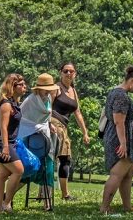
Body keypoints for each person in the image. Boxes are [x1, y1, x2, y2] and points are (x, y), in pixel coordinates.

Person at [99, 66, 133, 214]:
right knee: (117, 174)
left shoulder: (117, 92)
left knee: (128, 173)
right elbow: (119, 122)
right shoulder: (121, 96)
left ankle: (127, 206)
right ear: (131, 80)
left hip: (126, 138)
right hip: (120, 139)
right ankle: (104, 207)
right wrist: (123, 144)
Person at [17, 73, 59, 211]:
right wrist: (34, 128)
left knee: (48, 168)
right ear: (39, 88)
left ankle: (47, 203)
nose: (48, 91)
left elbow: (46, 117)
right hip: (30, 138)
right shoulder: (30, 100)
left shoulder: (48, 98)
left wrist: (49, 124)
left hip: (44, 137)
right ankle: (8, 196)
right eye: (45, 88)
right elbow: (21, 118)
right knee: (28, 169)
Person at [50, 62, 90, 201]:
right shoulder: (56, 88)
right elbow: (47, 108)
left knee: (65, 159)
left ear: (75, 74)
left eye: (71, 71)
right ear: (61, 73)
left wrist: (85, 132)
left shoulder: (73, 90)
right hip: (54, 125)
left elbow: (77, 112)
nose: (68, 73)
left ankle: (64, 194)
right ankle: (51, 194)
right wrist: (49, 123)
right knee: (53, 159)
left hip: (64, 127)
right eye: (66, 71)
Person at [0, 73, 26, 214]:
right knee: (19, 170)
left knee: (2, 175)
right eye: (21, 85)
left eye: (24, 84)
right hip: (1, 143)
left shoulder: (14, 103)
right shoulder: (6, 104)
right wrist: (5, 147)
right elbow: (3, 127)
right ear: (13, 87)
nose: (24, 87)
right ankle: (6, 203)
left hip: (8, 142)